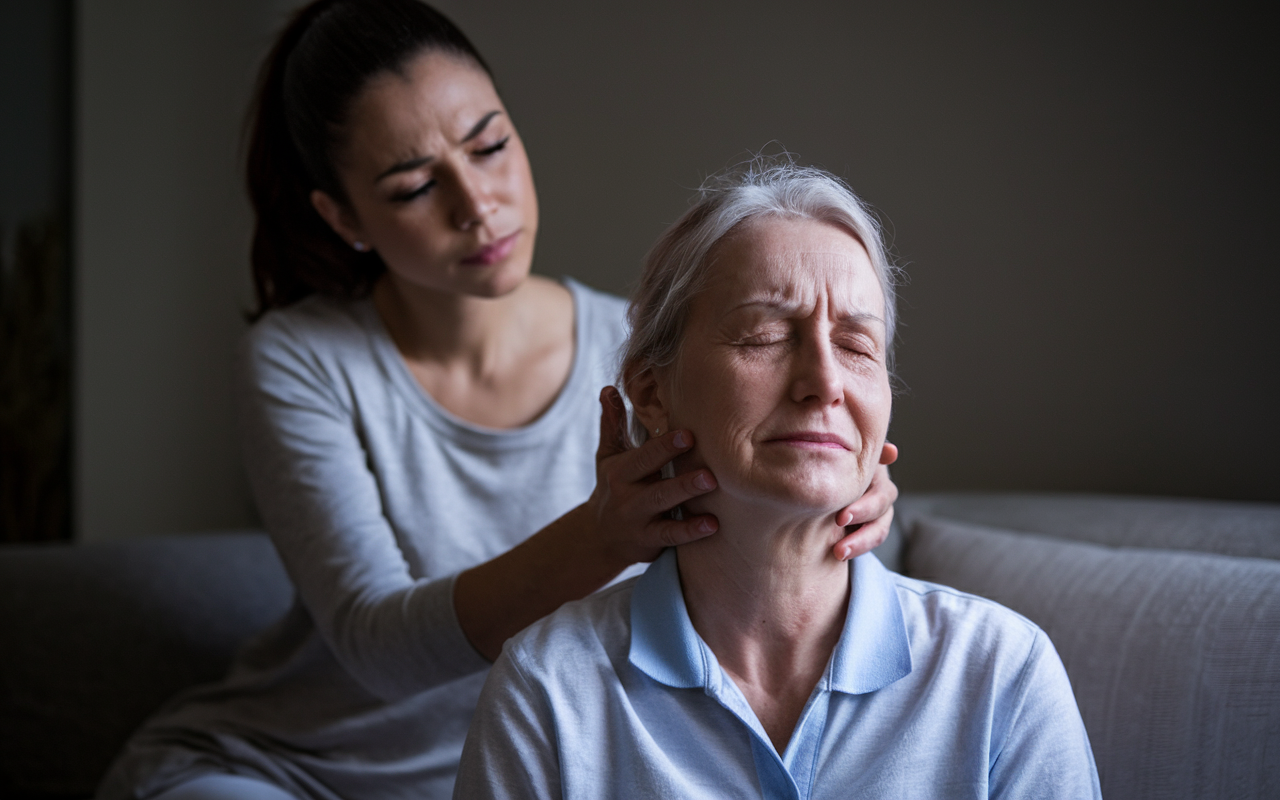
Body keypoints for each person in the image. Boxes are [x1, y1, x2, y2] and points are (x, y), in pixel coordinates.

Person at [95, 3, 899, 799]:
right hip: (299, 772)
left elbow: (748, 527)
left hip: (547, 765)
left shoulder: (639, 350)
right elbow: (376, 646)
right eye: (414, 186)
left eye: (490, 145)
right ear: (343, 216)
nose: (477, 204)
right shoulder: (300, 360)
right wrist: (601, 536)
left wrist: (836, 497)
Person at [454, 160, 1103, 799]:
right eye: (764, 335)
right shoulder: (547, 693)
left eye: (857, 346)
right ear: (651, 393)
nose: (825, 383)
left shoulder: (1000, 676)